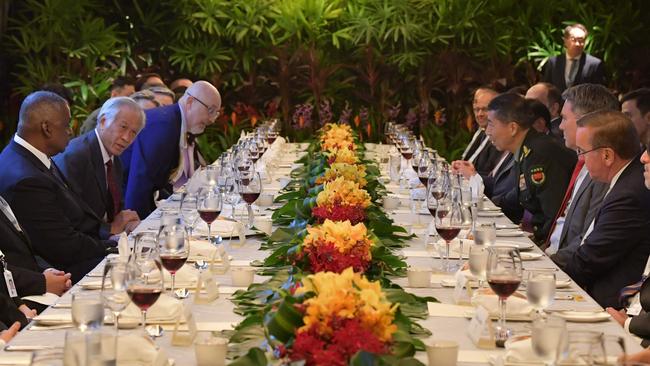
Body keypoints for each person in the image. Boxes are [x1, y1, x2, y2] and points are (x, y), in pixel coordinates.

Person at [0, 91, 117, 282]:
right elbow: (63, 247)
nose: (70, 130)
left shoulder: (29, 154)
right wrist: (111, 246)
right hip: (59, 272)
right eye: (66, 124)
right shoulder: (27, 180)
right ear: (46, 128)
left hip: (72, 254)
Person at [561, 110, 650, 309]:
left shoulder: (630, 194)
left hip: (609, 305)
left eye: (582, 152)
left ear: (607, 155)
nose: (580, 160)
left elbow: (589, 261)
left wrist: (544, 274)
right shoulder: (627, 178)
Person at [121, 81, 221, 218]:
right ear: (190, 102)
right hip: (120, 206)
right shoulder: (164, 126)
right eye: (210, 110)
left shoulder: (174, 122)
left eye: (216, 113)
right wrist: (139, 227)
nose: (212, 120)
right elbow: (139, 180)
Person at [485, 93, 576, 243]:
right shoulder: (527, 149)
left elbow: (552, 214)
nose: (488, 131)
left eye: (491, 124)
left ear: (513, 128)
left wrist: (540, 246)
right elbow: (516, 198)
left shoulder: (540, 154)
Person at [547, 84, 618, 267]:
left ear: (585, 122)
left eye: (564, 118)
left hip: (567, 268)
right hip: (552, 255)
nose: (560, 126)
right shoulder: (581, 160)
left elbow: (587, 239)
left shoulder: (604, 169)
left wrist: (545, 263)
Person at [55, 97, 144, 237]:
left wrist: (127, 222)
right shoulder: (75, 157)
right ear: (103, 121)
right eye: (123, 127)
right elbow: (71, 217)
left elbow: (115, 209)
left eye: (133, 133)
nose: (127, 138)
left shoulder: (114, 158)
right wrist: (109, 229)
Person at [542, 23, 605, 92]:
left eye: (581, 40)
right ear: (565, 41)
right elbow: (547, 87)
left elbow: (598, 92)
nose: (577, 44)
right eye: (574, 39)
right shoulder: (553, 62)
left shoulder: (594, 64)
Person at [456, 87, 502, 177]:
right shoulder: (482, 131)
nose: (479, 114)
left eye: (485, 109)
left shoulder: (501, 138)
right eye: (477, 109)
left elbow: (494, 177)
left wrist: (472, 175)